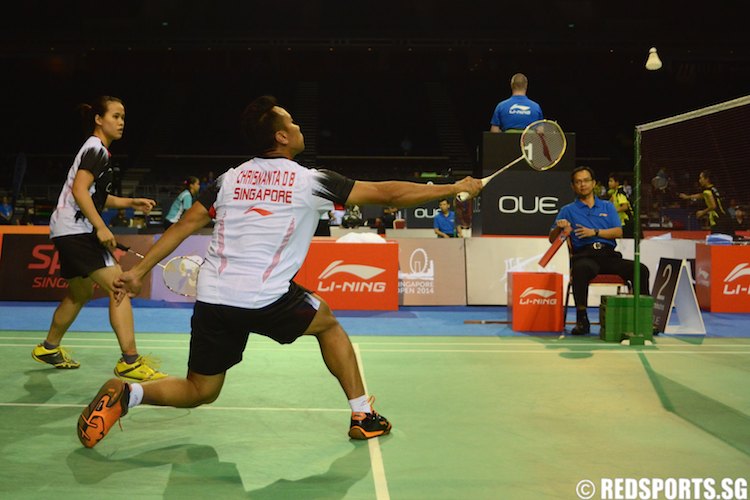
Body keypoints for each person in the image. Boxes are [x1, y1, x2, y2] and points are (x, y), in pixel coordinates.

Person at [76, 95, 483, 448]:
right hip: (264, 297)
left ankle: (127, 394)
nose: (299, 124)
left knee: (200, 390)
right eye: (292, 121)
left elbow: (183, 226)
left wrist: (141, 269)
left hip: (214, 297)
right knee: (328, 325)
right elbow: (389, 193)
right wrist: (455, 187)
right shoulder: (311, 181)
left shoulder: (228, 179)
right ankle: (363, 416)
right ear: (281, 137)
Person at [32, 96, 165, 381]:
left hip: (66, 230)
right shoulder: (96, 150)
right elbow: (80, 191)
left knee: (80, 293)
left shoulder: (95, 151)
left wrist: (132, 202)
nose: (121, 123)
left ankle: (48, 348)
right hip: (77, 230)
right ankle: (130, 360)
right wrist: (101, 228)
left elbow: (95, 197)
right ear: (98, 119)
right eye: (115, 116)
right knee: (119, 287)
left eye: (123, 118)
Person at [550, 166, 650, 335]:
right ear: (573, 186)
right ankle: (582, 319)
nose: (583, 185)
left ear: (594, 183)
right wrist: (559, 228)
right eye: (578, 182)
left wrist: (594, 232)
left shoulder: (607, 206)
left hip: (609, 256)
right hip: (585, 255)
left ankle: (643, 318)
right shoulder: (567, 210)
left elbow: (618, 231)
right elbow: (552, 239)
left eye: (586, 180)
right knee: (580, 269)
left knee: (640, 269)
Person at [678, 170, 733, 235]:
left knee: (716, 242)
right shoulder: (715, 188)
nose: (699, 180)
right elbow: (702, 195)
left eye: (701, 178)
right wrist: (688, 197)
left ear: (707, 179)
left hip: (718, 220)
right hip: (727, 217)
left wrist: (702, 212)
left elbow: (713, 206)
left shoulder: (707, 192)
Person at [608, 172, 634, 238]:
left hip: (627, 223)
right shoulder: (615, 193)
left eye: (611, 181)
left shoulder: (620, 193)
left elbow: (625, 206)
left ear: (617, 183)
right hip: (621, 223)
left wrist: (613, 211)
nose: (609, 183)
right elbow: (608, 203)